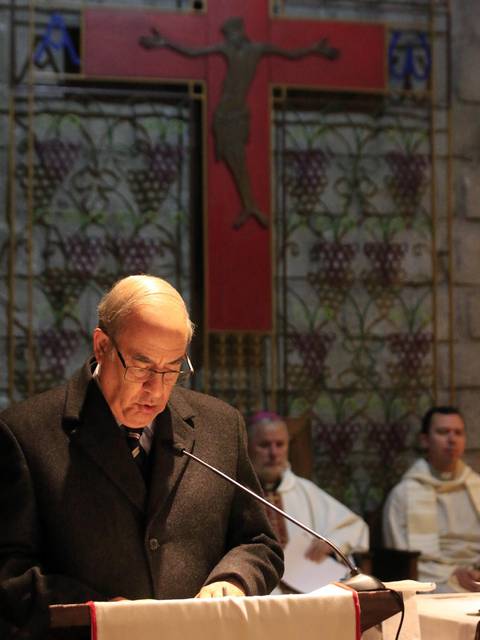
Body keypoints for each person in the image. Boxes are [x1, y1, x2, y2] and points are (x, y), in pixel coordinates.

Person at [0, 275, 283, 639]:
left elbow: (258, 542)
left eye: (172, 370)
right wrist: (101, 613)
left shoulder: (220, 426)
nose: (156, 389)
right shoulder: (24, 434)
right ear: (102, 345)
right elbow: (10, 574)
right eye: (142, 366)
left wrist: (234, 580)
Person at [139, 17, 338, 229]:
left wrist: (314, 49)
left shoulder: (259, 49)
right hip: (224, 114)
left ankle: (250, 206)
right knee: (234, 159)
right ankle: (250, 206)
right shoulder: (225, 49)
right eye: (227, 35)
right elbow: (193, 52)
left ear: (241, 31)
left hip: (240, 114)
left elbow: (291, 54)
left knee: (239, 159)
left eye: (232, 34)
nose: (230, 38)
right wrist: (166, 42)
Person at [247, 411, 368, 592]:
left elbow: (356, 527)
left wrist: (331, 542)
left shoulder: (304, 490)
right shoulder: (237, 491)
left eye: (280, 445)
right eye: (264, 445)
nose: (273, 453)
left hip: (304, 593)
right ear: (247, 447)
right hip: (256, 593)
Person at [383, 406, 480, 592]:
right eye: (443, 432)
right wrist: (451, 574)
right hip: (434, 580)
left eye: (458, 433)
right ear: (425, 440)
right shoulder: (404, 494)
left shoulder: (476, 486)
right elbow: (401, 562)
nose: (452, 439)